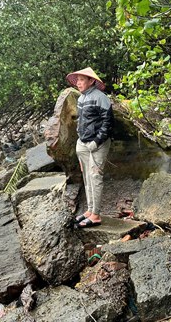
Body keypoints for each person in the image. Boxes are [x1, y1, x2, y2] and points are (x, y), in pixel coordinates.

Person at [66, 67, 114, 228]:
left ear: (91, 81)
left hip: (97, 145)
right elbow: (82, 121)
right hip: (83, 144)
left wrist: (97, 141)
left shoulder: (101, 98)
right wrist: (81, 141)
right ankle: (90, 210)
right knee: (87, 177)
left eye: (81, 80)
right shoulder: (81, 98)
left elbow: (108, 123)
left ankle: (96, 215)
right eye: (77, 80)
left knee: (95, 177)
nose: (78, 83)